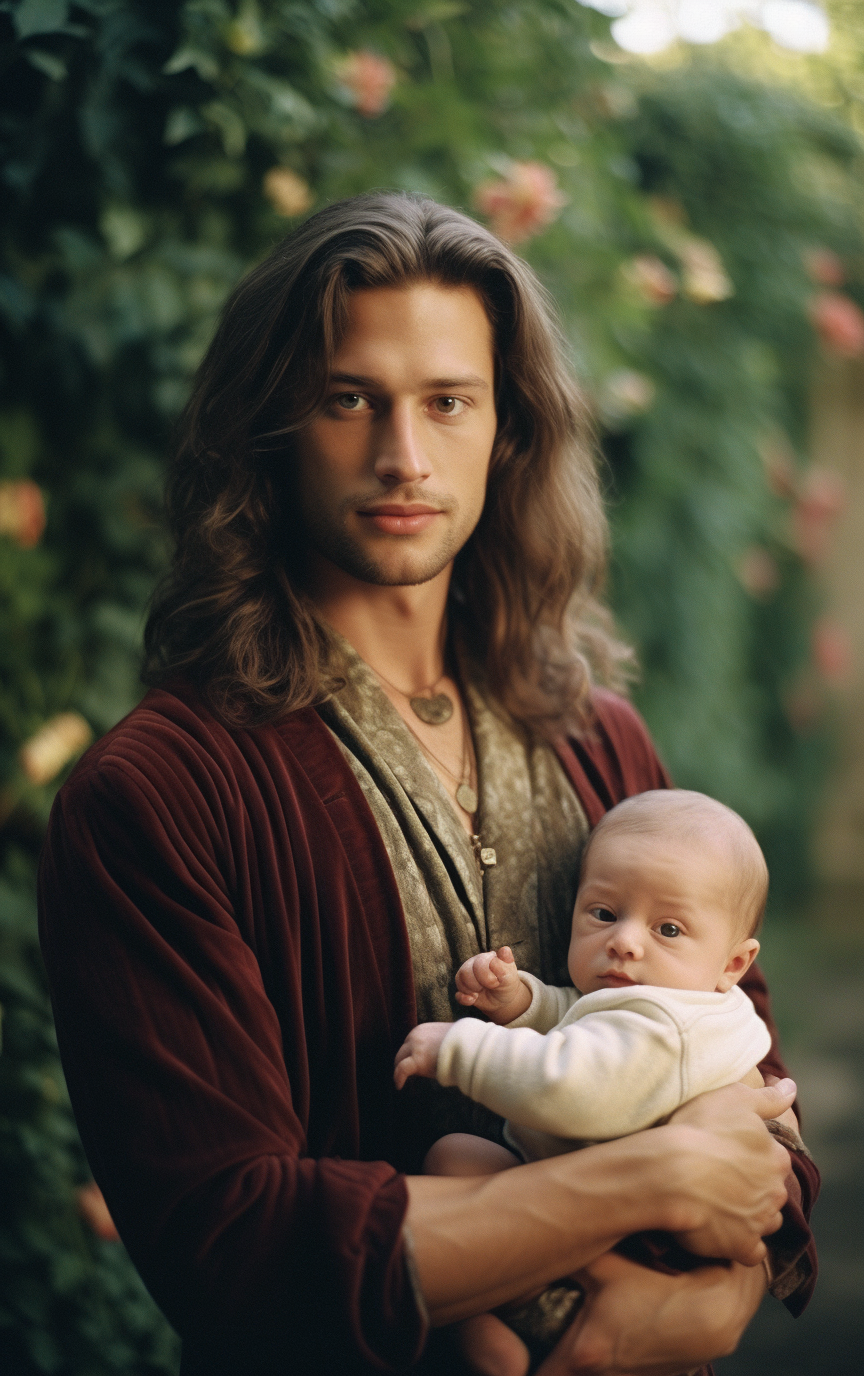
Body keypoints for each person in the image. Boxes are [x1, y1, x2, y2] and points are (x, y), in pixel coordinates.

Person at [37, 193, 816, 1376]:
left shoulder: (603, 743)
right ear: (270, 430)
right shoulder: (158, 795)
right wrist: (653, 1171)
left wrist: (723, 1296)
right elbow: (234, 1243)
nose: (404, 454)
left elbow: (751, 1079)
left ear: (506, 431)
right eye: (350, 398)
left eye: (448, 400)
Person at [396, 789, 806, 1375]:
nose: (625, 940)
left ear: (734, 964)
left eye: (667, 928)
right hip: (631, 1200)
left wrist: (462, 1049)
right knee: (458, 1155)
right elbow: (584, 1017)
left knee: (455, 1159)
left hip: (645, 1234)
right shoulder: (677, 996)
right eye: (604, 914)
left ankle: (519, 1309)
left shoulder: (668, 1029)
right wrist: (523, 1002)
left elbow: (576, 1084)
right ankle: (499, 1322)